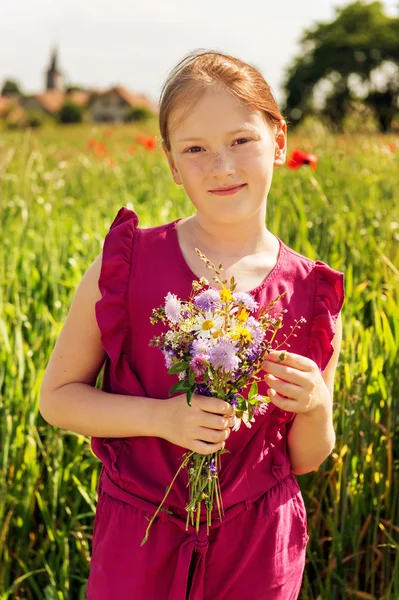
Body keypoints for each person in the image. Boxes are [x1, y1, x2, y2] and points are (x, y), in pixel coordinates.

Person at [39, 49, 345, 600]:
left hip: (257, 547)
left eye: (241, 140)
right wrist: (162, 418)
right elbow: (58, 399)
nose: (222, 166)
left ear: (278, 143)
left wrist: (317, 405)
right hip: (141, 536)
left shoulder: (310, 292)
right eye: (196, 149)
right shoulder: (127, 267)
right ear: (173, 164)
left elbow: (305, 457)